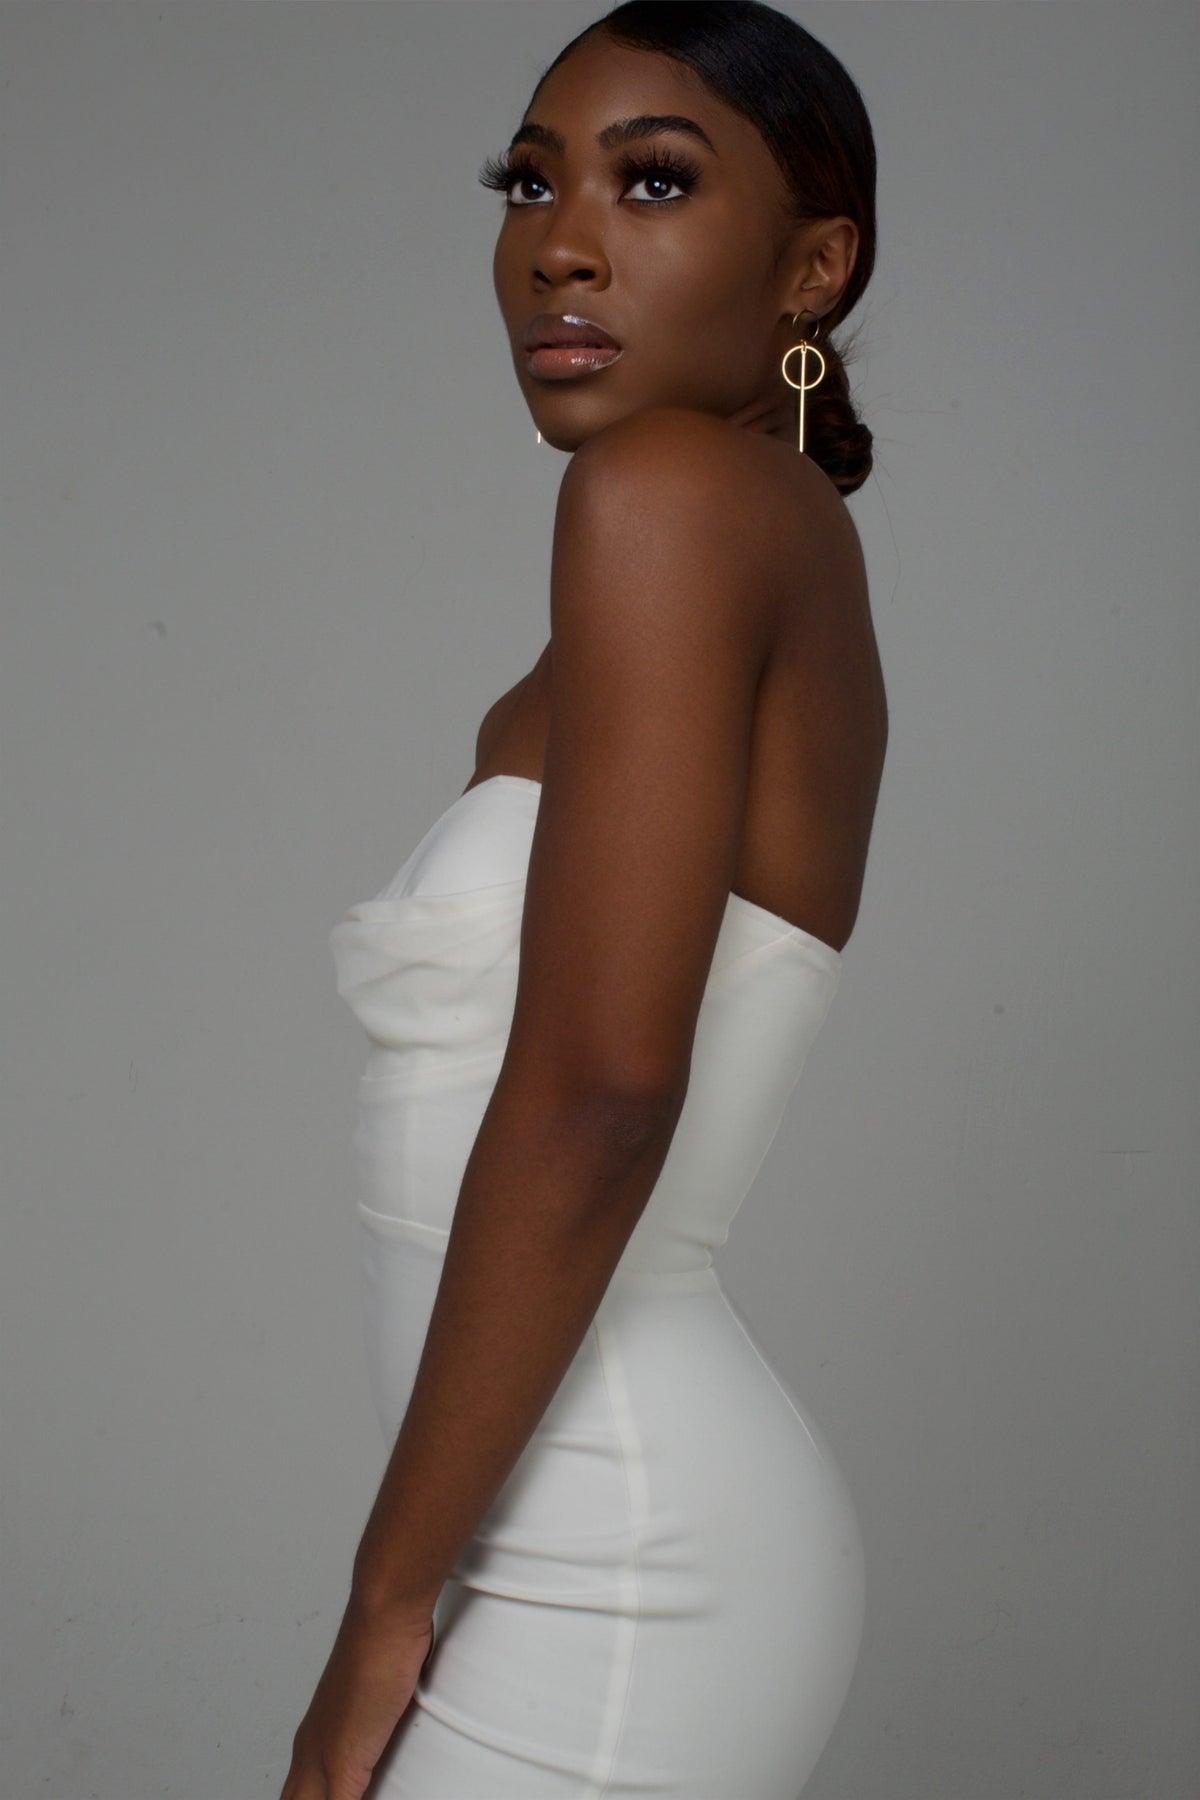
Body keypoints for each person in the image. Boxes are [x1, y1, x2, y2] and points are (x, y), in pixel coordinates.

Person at [281, 3, 887, 1795]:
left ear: (814, 268)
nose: (559, 243)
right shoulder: (744, 524)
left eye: (655, 181)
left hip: (614, 1556)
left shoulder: (671, 498)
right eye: (529, 181)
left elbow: (605, 1091)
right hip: (558, 1515)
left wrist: (379, 1612)